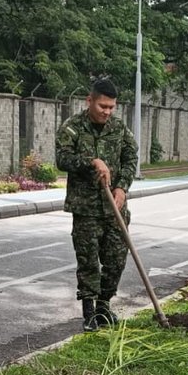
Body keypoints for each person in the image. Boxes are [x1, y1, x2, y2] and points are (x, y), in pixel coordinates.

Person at [55, 78, 139, 332]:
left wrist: (122, 187)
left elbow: (130, 157)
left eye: (111, 107)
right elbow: (62, 159)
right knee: (89, 261)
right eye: (103, 106)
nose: (107, 112)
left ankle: (104, 305)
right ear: (89, 101)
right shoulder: (72, 127)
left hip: (115, 208)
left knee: (116, 260)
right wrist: (92, 161)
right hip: (86, 209)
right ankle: (89, 311)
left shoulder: (119, 128)